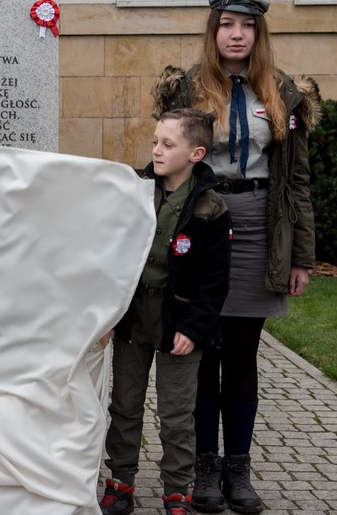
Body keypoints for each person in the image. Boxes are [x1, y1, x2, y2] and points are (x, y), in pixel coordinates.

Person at [152, 0, 321, 514]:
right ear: (214, 29)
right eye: (227, 24)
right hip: (204, 224)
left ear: (259, 33)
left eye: (247, 25)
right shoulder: (189, 90)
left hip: (258, 226)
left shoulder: (283, 92)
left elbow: (296, 179)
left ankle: (238, 471)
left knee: (244, 353)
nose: (237, 34)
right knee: (201, 350)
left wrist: (301, 255)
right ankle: (203, 469)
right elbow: (168, 167)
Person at [99, 108, 232, 515]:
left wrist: (194, 328)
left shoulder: (210, 208)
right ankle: (120, 481)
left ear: (196, 153)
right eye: (155, 141)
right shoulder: (135, 192)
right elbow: (112, 257)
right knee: (124, 404)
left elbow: (216, 281)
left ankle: (178, 490)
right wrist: (107, 316)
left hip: (180, 324)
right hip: (134, 319)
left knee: (177, 414)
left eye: (167, 144)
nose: (156, 150)